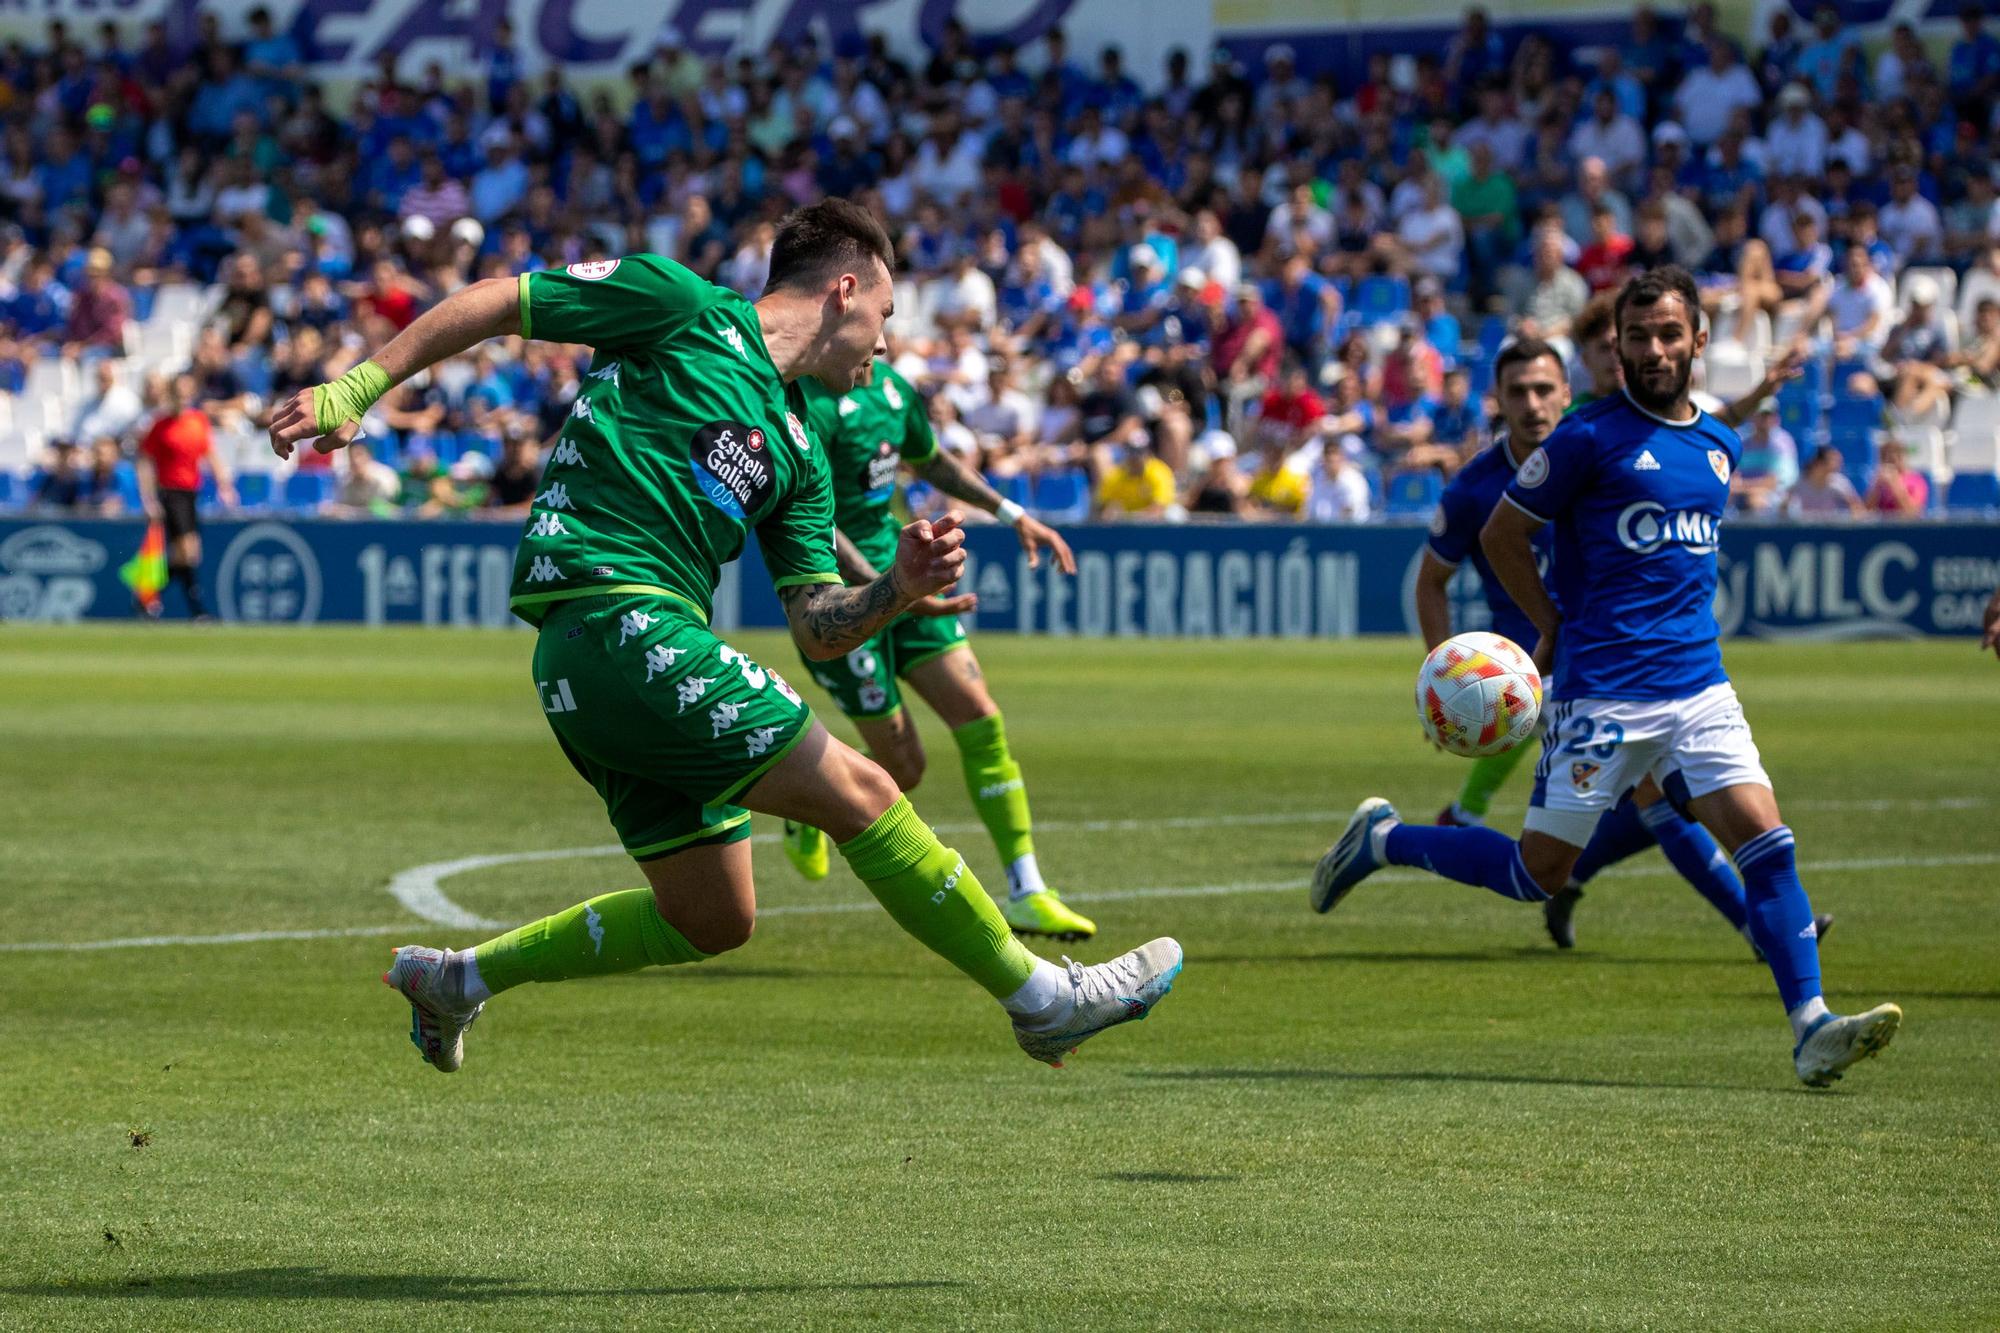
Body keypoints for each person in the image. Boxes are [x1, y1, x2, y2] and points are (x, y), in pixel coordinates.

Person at [268, 201, 1182, 1074]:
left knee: (713, 917)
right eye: (889, 313)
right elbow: (506, 300)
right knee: (864, 788)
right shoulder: (682, 306)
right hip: (616, 615)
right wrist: (359, 386)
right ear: (847, 290)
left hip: (608, 665)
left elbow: (818, 628)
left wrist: (894, 591)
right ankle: (1040, 996)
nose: (888, 341)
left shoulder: (798, 451)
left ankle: (458, 979)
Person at [1314, 267, 1901, 1088]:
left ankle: (1811, 1026)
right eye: (1637, 337)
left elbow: (1693, 481)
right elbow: (1503, 534)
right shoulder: (1586, 438)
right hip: (1600, 699)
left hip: (1700, 691)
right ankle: (1383, 840)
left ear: (1699, 340)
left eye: (1669, 334)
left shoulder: (1722, 445)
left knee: (1768, 846)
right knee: (1535, 874)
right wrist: (1551, 623)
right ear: (1617, 349)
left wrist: (1759, 395)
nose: (1653, 349)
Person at [1409, 337, 1776, 952]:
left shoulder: (1601, 447)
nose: (1532, 405)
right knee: (1663, 797)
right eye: (1517, 392)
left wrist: (1752, 400)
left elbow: (1694, 429)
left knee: (1654, 805)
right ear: (1496, 400)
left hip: (1612, 660)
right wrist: (1440, 674)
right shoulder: (1476, 488)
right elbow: (1431, 582)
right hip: (1538, 673)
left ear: (1567, 394)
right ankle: (1761, 924)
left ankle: (1403, 839)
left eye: (1544, 389)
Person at [784, 356, 1094, 943]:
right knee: (905, 769)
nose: (879, 337)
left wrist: (1010, 513)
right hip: (843, 595)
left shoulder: (896, 390)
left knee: (980, 715)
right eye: (876, 316)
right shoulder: (807, 402)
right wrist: (890, 592)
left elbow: (929, 459)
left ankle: (1028, 891)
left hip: (906, 567)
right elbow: (811, 517)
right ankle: (807, 807)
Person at [138, 373, 234, 620]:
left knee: (187, 555)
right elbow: (145, 462)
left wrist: (224, 484)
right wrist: (148, 498)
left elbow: (209, 453)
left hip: (191, 492)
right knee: (187, 551)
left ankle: (146, 596)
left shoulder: (198, 421)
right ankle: (198, 611)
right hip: (170, 493)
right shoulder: (160, 425)